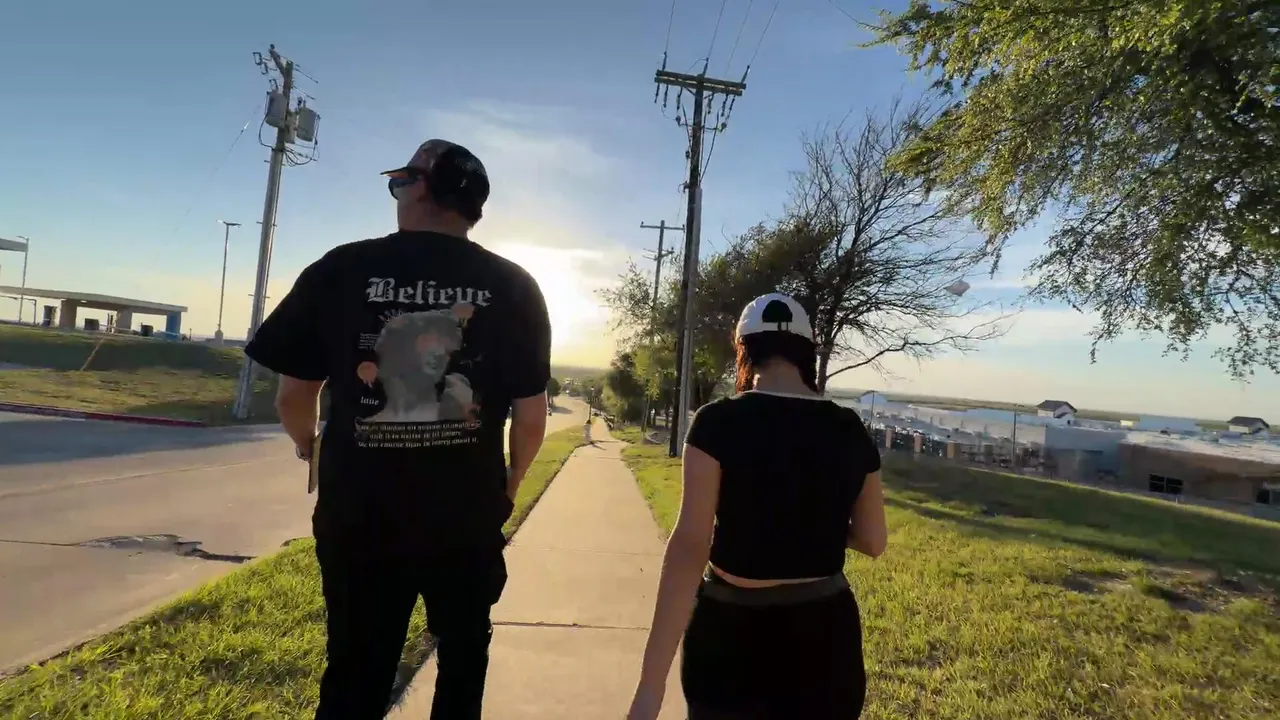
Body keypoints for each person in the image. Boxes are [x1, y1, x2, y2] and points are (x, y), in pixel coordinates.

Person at [244, 138, 552, 720]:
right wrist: (508, 487)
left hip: (361, 518)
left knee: (355, 672)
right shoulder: (515, 285)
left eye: (400, 180)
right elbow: (530, 418)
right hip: (466, 519)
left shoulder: (341, 269)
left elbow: (293, 396)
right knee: (463, 660)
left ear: (420, 188)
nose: (397, 191)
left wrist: (312, 450)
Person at [627, 293, 888, 719]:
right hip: (826, 638)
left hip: (731, 636)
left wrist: (650, 689)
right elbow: (874, 540)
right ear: (806, 352)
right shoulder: (849, 427)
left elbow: (689, 548)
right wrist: (811, 521)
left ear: (743, 349)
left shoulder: (716, 422)